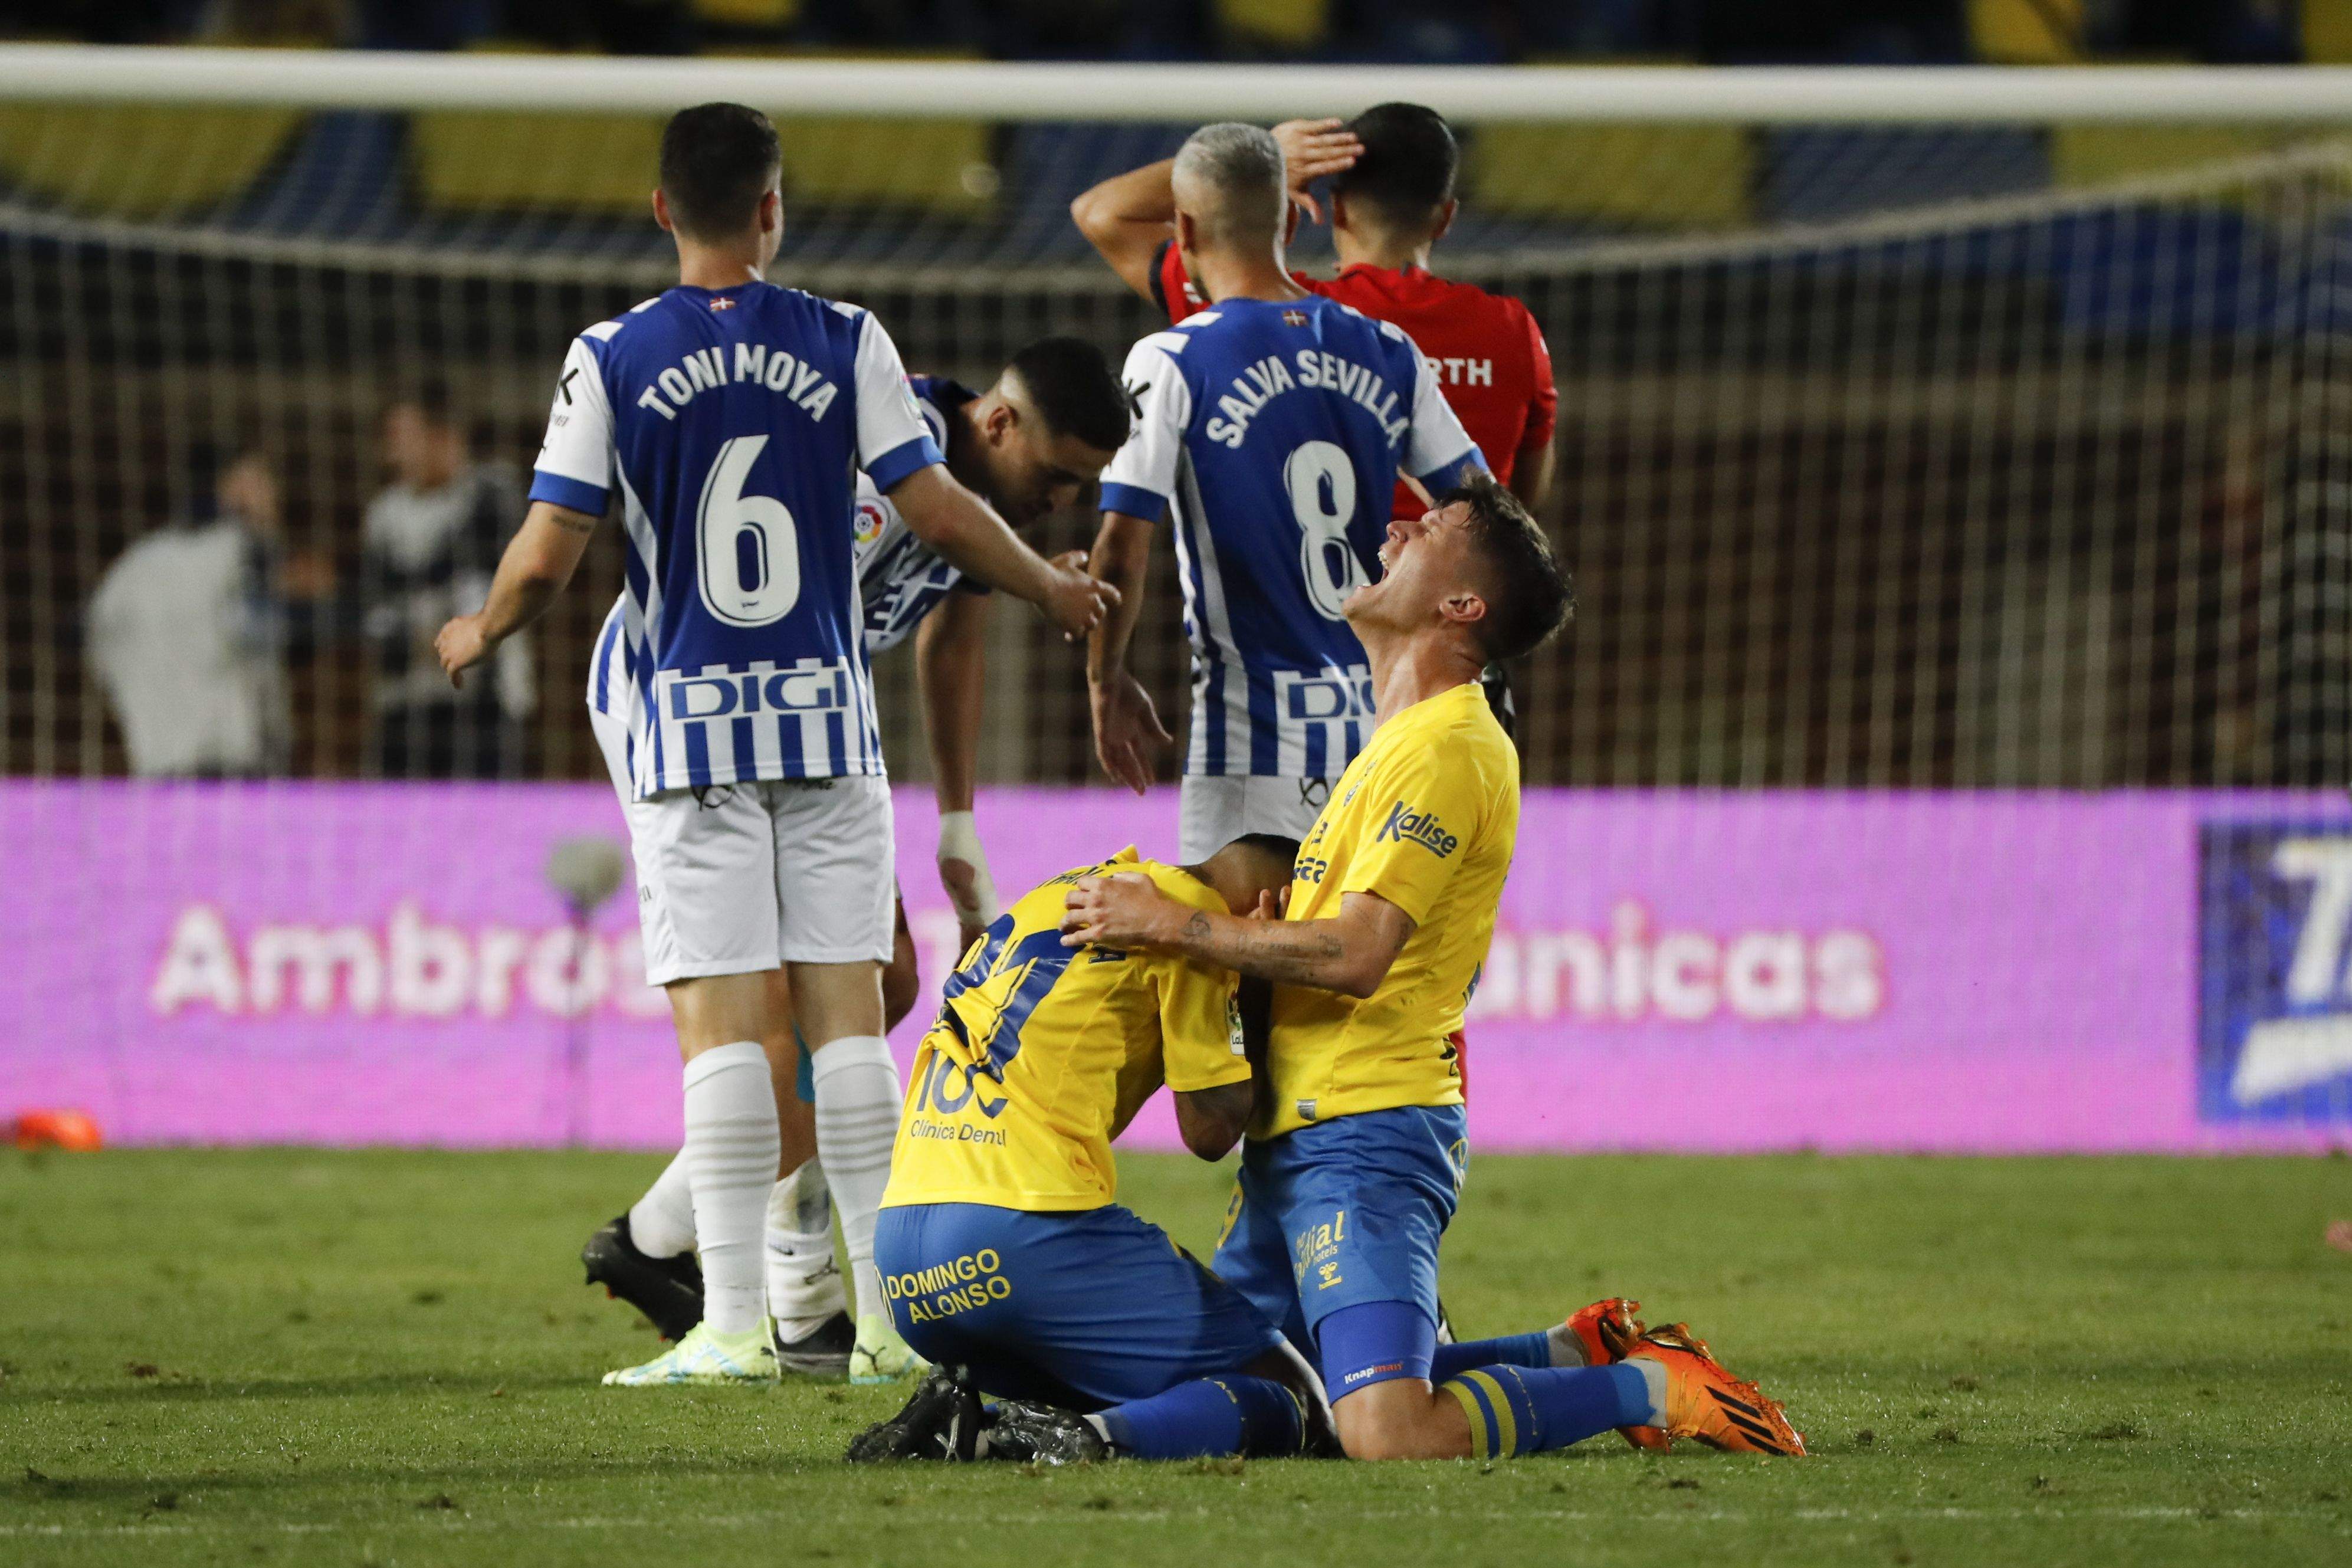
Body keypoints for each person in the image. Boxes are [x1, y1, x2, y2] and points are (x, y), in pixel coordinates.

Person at [434, 101, 1116, 1387]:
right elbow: (932, 515)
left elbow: (550, 550)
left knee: (756, 1020)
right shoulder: (852, 344)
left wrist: (482, 627)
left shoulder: (611, 355)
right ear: (772, 209)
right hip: (806, 715)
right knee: (841, 1017)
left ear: (660, 210)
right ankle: (848, 1312)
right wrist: (1049, 586)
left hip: (694, 712)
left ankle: (728, 1307)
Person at [1052, 476, 1803, 1462]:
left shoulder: (1452, 748)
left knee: (1383, 1430)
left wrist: (1175, 927)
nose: (1396, 526)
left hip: (1365, 1130)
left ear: (1461, 605)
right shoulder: (1396, 744)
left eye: (1431, 526)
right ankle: (1576, 1350)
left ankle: (1653, 1387)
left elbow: (1359, 954)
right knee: (1263, 1385)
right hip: (1296, 1133)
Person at [578, 337, 1131, 1377]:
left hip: (793, 721)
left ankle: (674, 1243)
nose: (1062, 502)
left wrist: (956, 820)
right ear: (999, 422)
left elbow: (950, 639)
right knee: (788, 1008)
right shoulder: (895, 450)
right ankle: (781, 1288)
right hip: (688, 710)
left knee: (878, 987)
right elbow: (788, 605)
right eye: (1057, 475)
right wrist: (1037, 584)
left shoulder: (976, 500)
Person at [1072, 102, 1557, 729]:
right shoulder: (1514, 332)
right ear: (1445, 217)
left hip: (1310, 672)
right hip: (1458, 662)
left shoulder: (1275, 321)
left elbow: (1101, 213)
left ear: (1337, 210)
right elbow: (1519, 506)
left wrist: (1261, 163)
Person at [1081, 122, 1485, 864]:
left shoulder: (1172, 357)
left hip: (1252, 742)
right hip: (1384, 733)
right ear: (1292, 222)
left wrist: (1105, 682)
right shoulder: (1386, 348)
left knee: (1233, 941)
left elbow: (1120, 549)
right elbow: (1486, 514)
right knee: (1362, 939)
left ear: (1184, 230)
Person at [87, 445, 301, 777]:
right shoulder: (237, 551)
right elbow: (271, 627)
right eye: (262, 482)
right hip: (230, 760)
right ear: (232, 488)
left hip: (156, 761)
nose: (274, 496)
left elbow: (96, 646)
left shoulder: (134, 564)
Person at [364, 385, 533, 779]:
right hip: (407, 699)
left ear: (442, 436)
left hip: (485, 700)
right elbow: (377, 612)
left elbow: (490, 583)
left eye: (404, 437)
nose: (394, 452)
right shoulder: (384, 515)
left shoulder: (492, 493)